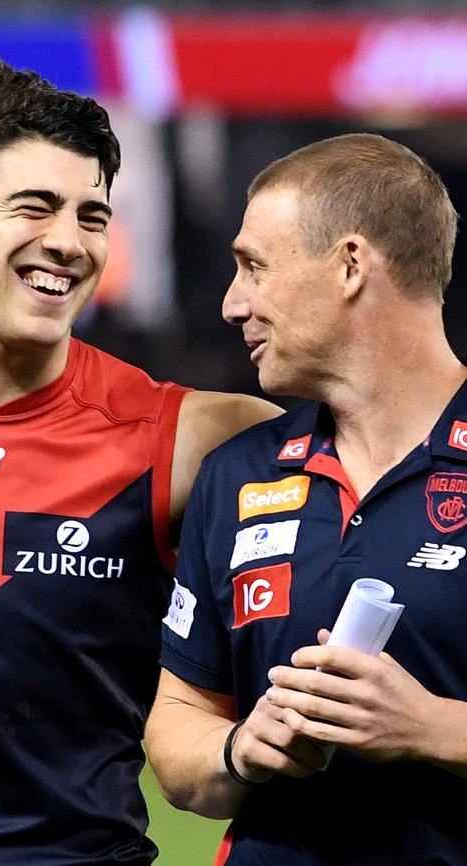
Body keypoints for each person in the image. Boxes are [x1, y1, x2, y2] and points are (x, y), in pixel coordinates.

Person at [0, 59, 280, 866]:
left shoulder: (191, 437)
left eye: (92, 216)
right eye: (34, 208)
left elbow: (395, 459)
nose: (67, 243)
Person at [145, 132, 467, 866]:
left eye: (254, 266)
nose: (233, 304)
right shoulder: (238, 475)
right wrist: (238, 751)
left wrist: (432, 728)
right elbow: (179, 722)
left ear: (350, 265)